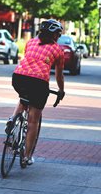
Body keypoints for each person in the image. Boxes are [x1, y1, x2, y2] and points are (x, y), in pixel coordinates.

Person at [5, 19, 65, 166]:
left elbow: (29, 60)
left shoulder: (30, 42)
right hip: (39, 83)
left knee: (23, 97)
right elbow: (59, 75)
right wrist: (61, 90)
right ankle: (26, 156)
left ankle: (13, 119)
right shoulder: (58, 50)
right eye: (58, 34)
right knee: (33, 121)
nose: (59, 37)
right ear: (53, 34)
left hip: (18, 77)